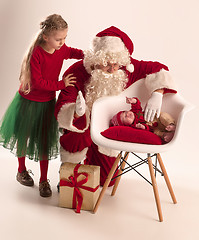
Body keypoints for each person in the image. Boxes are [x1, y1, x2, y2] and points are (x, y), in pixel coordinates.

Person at [54, 26, 177, 186]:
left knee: (107, 181)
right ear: (96, 60)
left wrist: (158, 92)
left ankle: (91, 167)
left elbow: (158, 68)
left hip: (108, 128)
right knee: (75, 152)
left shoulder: (127, 68)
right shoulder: (77, 71)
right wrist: (76, 113)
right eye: (106, 64)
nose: (112, 69)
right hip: (82, 127)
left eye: (116, 64)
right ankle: (71, 177)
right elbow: (63, 103)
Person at [0, 14, 84, 197]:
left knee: (44, 142)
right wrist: (62, 84)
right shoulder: (37, 53)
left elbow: (74, 53)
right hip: (28, 101)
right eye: (58, 39)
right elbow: (38, 82)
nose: (62, 42)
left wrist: (90, 56)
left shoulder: (62, 49)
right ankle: (21, 170)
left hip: (46, 103)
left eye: (64, 38)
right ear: (46, 37)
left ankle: (44, 180)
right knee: (24, 136)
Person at [110, 97, 176, 143]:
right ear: (126, 125)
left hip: (157, 118)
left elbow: (137, 105)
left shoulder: (135, 111)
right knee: (156, 133)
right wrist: (143, 127)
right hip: (155, 128)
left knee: (164, 116)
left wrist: (133, 101)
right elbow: (146, 131)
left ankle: (171, 124)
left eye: (126, 112)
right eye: (125, 117)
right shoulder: (134, 127)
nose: (127, 114)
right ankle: (166, 135)